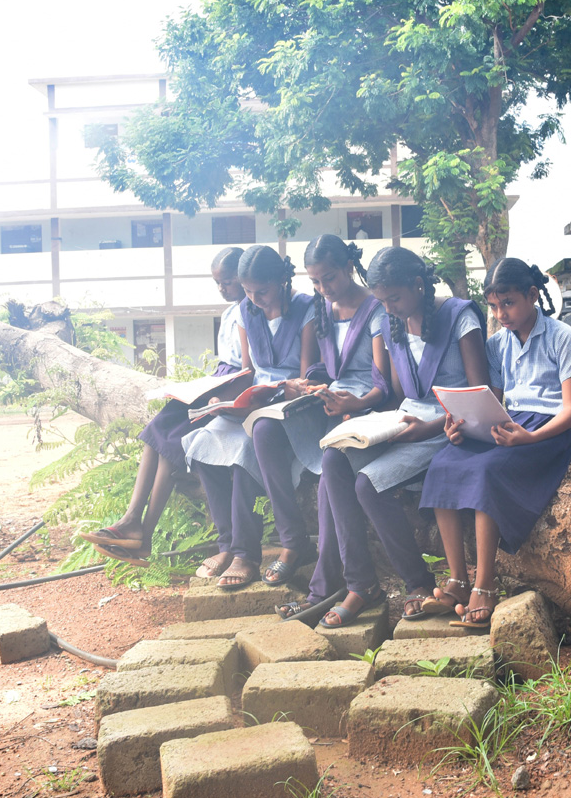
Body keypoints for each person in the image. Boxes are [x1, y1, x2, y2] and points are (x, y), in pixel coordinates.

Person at [315, 246, 489, 627]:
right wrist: (362, 413)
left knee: (367, 486)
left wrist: (426, 428)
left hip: (451, 426)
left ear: (418, 285)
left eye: (394, 298)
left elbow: (481, 395)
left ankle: (418, 583)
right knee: (333, 459)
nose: (388, 308)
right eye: (381, 300)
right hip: (406, 422)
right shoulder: (389, 323)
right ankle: (360, 583)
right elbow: (397, 395)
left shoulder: (460, 317)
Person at [421, 258, 571, 628]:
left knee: (489, 470)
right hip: (510, 425)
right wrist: (463, 428)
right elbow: (493, 400)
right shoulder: (496, 344)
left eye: (508, 303)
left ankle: (485, 583)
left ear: (532, 295)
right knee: (444, 463)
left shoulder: (563, 337)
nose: (500, 314)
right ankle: (457, 580)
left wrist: (530, 436)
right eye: (494, 307)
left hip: (549, 433)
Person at [79, 247, 248, 563]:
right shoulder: (228, 314)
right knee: (157, 429)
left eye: (228, 281)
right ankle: (133, 522)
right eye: (218, 284)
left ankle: (139, 532)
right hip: (217, 380)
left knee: (170, 441)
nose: (223, 288)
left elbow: (248, 368)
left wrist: (218, 393)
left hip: (232, 389)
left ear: (244, 276)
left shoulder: (250, 311)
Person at [251, 235, 388, 609]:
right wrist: (311, 383)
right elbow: (320, 366)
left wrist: (355, 402)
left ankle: (325, 587)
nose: (323, 288)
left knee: (332, 471)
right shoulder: (322, 309)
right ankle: (293, 540)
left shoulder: (377, 310)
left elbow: (385, 382)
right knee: (264, 430)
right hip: (329, 400)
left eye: (329, 278)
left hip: (365, 407)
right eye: (314, 282)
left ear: (348, 268)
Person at [182, 245, 319, 589]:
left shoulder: (306, 309)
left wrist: (283, 389)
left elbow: (307, 376)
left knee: (246, 451)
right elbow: (247, 370)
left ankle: (248, 552)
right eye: (247, 291)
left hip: (291, 404)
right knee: (204, 441)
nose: (255, 299)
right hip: (258, 399)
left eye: (263, 291)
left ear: (283, 282)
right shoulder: (246, 311)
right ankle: (228, 542)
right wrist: (224, 397)